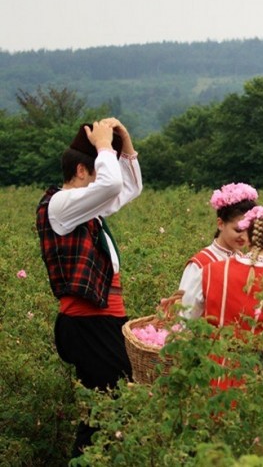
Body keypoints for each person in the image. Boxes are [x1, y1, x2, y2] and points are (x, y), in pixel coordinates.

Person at [35, 118, 142, 458]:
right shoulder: (61, 205)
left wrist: (124, 146)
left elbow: (126, 188)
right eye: (96, 170)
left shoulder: (84, 208)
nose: (100, 179)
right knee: (106, 406)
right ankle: (86, 461)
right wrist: (102, 147)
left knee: (109, 403)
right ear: (82, 170)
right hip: (87, 322)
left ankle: (94, 460)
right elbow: (111, 186)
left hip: (100, 321)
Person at [181, 205, 263, 389]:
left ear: (250, 237)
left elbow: (185, 320)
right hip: (252, 377)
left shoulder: (210, 271)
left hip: (206, 371)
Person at [177, 183, 258, 319]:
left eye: (249, 231)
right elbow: (183, 311)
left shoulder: (244, 260)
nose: (244, 237)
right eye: (238, 230)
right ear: (220, 224)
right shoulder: (200, 263)